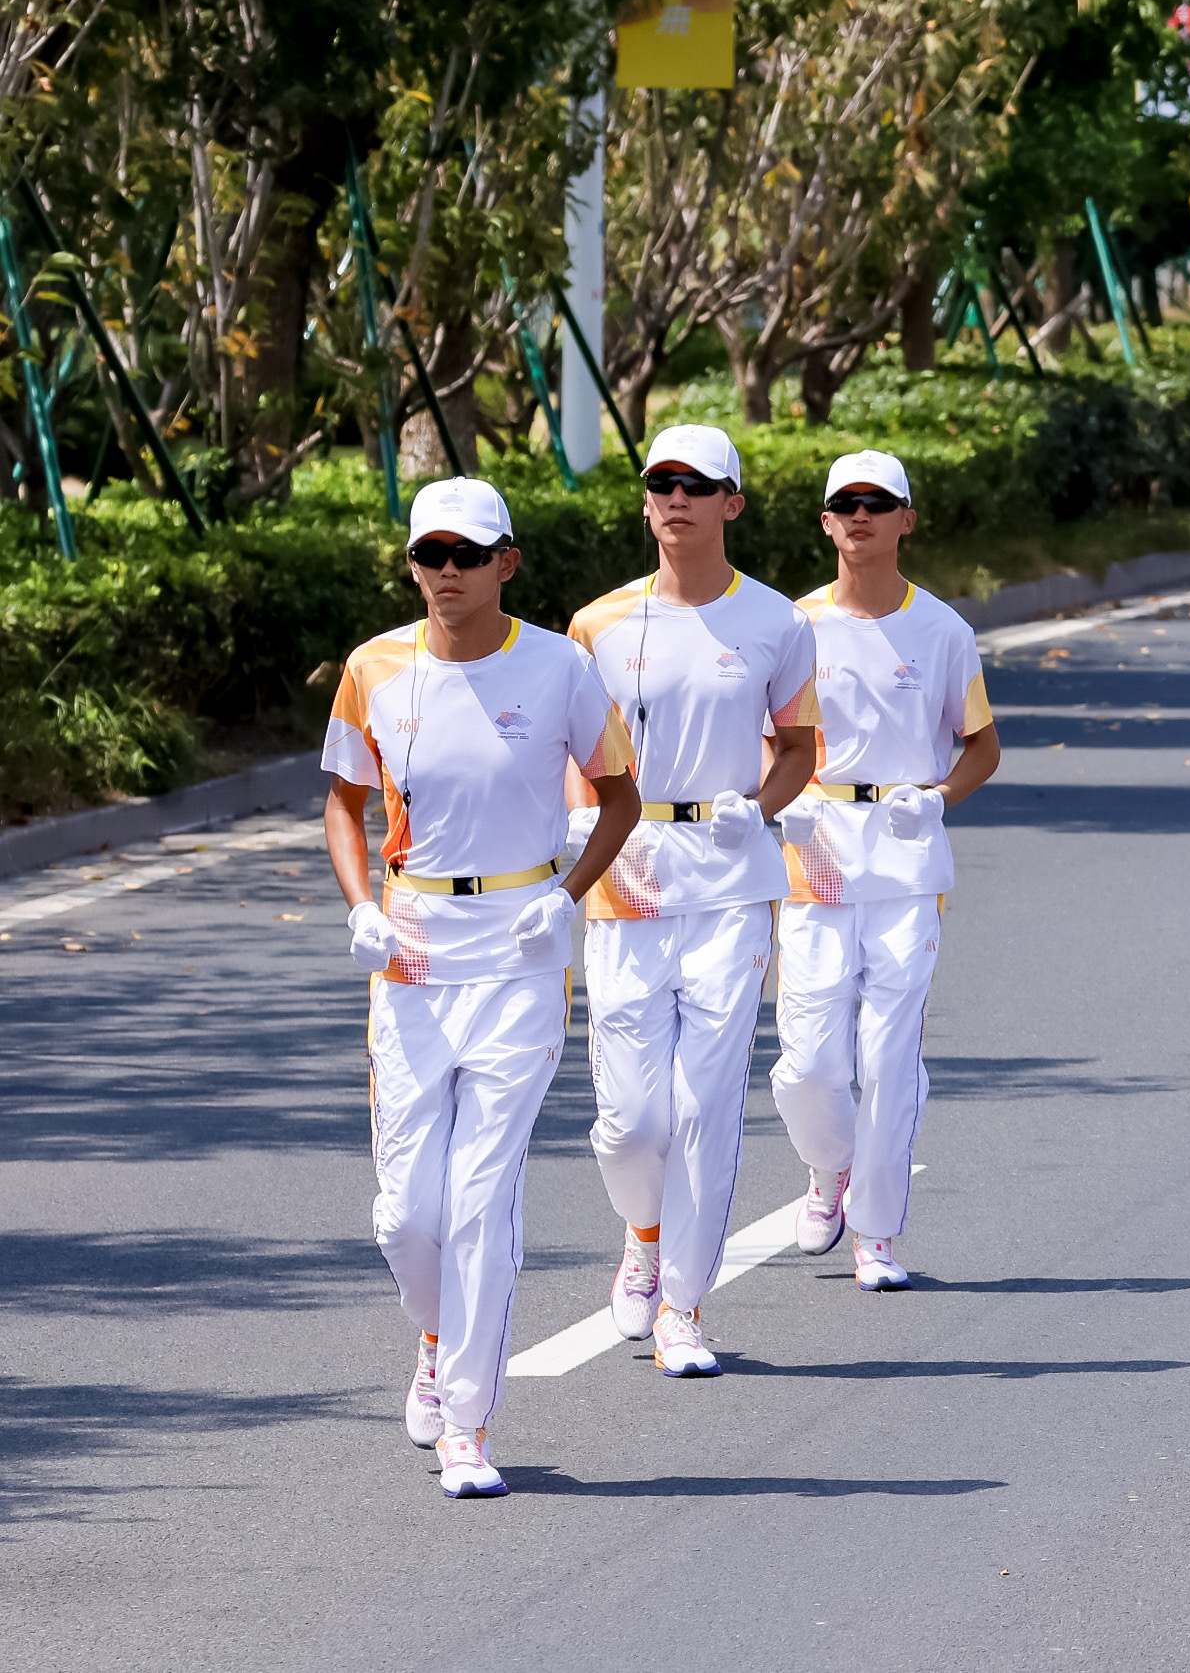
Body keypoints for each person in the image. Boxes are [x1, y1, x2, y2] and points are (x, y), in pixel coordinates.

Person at [323, 477, 640, 1498]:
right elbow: (343, 801)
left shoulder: (561, 667)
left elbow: (621, 796)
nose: (446, 572)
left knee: (477, 1199)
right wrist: (359, 903)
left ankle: (470, 1422)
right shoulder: (375, 668)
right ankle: (433, 1333)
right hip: (412, 952)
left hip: (517, 948)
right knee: (401, 1215)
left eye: (467, 553)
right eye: (430, 555)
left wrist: (571, 894)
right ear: (413, 563)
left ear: (507, 561)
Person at [566, 426, 822, 1377]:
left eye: (696, 484)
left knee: (705, 1102)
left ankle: (684, 1303)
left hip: (727, 880)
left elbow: (798, 748)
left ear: (732, 503)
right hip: (629, 873)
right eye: (660, 483)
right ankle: (642, 1231)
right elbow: (571, 754)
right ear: (645, 502)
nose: (675, 497)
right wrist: (578, 845)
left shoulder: (776, 623)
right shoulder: (594, 626)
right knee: (630, 1118)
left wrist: (754, 809)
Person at [771, 449, 1002, 1292]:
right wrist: (780, 801)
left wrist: (939, 795)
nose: (860, 514)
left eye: (879, 502)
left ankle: (875, 1229)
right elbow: (766, 738)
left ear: (907, 517)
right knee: (807, 1059)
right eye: (845, 502)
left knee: (889, 1051)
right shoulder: (791, 626)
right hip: (818, 848)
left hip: (905, 852)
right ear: (826, 520)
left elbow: (982, 745)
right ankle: (828, 1166)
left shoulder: (940, 629)